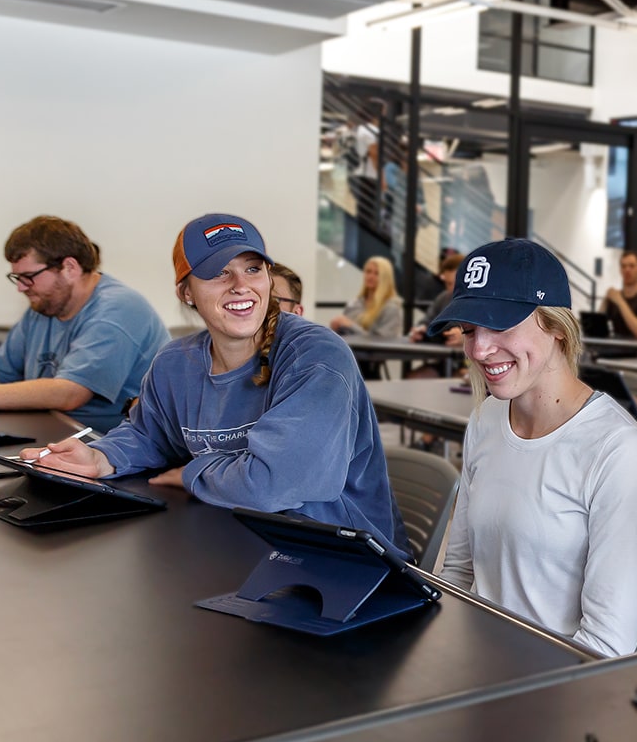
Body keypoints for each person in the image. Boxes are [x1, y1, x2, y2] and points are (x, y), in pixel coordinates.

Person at [24, 214, 403, 549]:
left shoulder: (316, 355)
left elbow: (275, 483)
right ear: (186, 292)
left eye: (253, 269)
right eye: (219, 272)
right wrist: (99, 457)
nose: (240, 284)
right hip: (241, 541)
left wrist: (193, 473)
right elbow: (149, 435)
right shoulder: (176, 363)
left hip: (340, 558)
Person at [435, 239, 637, 656]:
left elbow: (605, 647)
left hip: (548, 689)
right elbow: (458, 572)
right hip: (472, 665)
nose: (479, 348)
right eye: (468, 330)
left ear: (556, 326)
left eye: (499, 324)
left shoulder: (615, 449)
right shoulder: (485, 420)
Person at [0, 216, 167, 432]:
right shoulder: (45, 305)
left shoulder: (117, 310)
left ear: (69, 267)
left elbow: (69, 393)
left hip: (107, 450)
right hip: (54, 435)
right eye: (17, 277)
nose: (21, 288)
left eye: (29, 277)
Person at [330, 256, 404, 340]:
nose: (371, 276)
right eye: (368, 272)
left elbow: (383, 341)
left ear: (385, 278)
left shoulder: (391, 308)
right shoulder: (355, 303)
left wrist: (350, 325)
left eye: (377, 273)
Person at [409, 250, 463, 342]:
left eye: (454, 283)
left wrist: (465, 337)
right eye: (448, 283)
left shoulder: (481, 302)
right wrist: (420, 330)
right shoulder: (444, 297)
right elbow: (427, 320)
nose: (451, 289)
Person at [603, 249, 637, 340]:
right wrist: (606, 300)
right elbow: (598, 326)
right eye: (623, 266)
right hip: (614, 348)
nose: (627, 270)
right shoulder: (615, 297)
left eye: (631, 266)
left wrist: (620, 301)